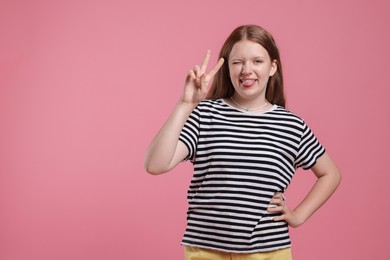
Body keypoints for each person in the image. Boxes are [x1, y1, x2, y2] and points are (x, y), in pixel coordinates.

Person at [144, 24, 341, 260]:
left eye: (257, 61)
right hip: (205, 250)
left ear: (272, 67)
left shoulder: (291, 125)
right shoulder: (205, 114)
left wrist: (298, 215)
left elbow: (331, 174)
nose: (247, 70)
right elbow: (155, 165)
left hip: (268, 251)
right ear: (227, 68)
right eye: (237, 62)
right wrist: (186, 104)